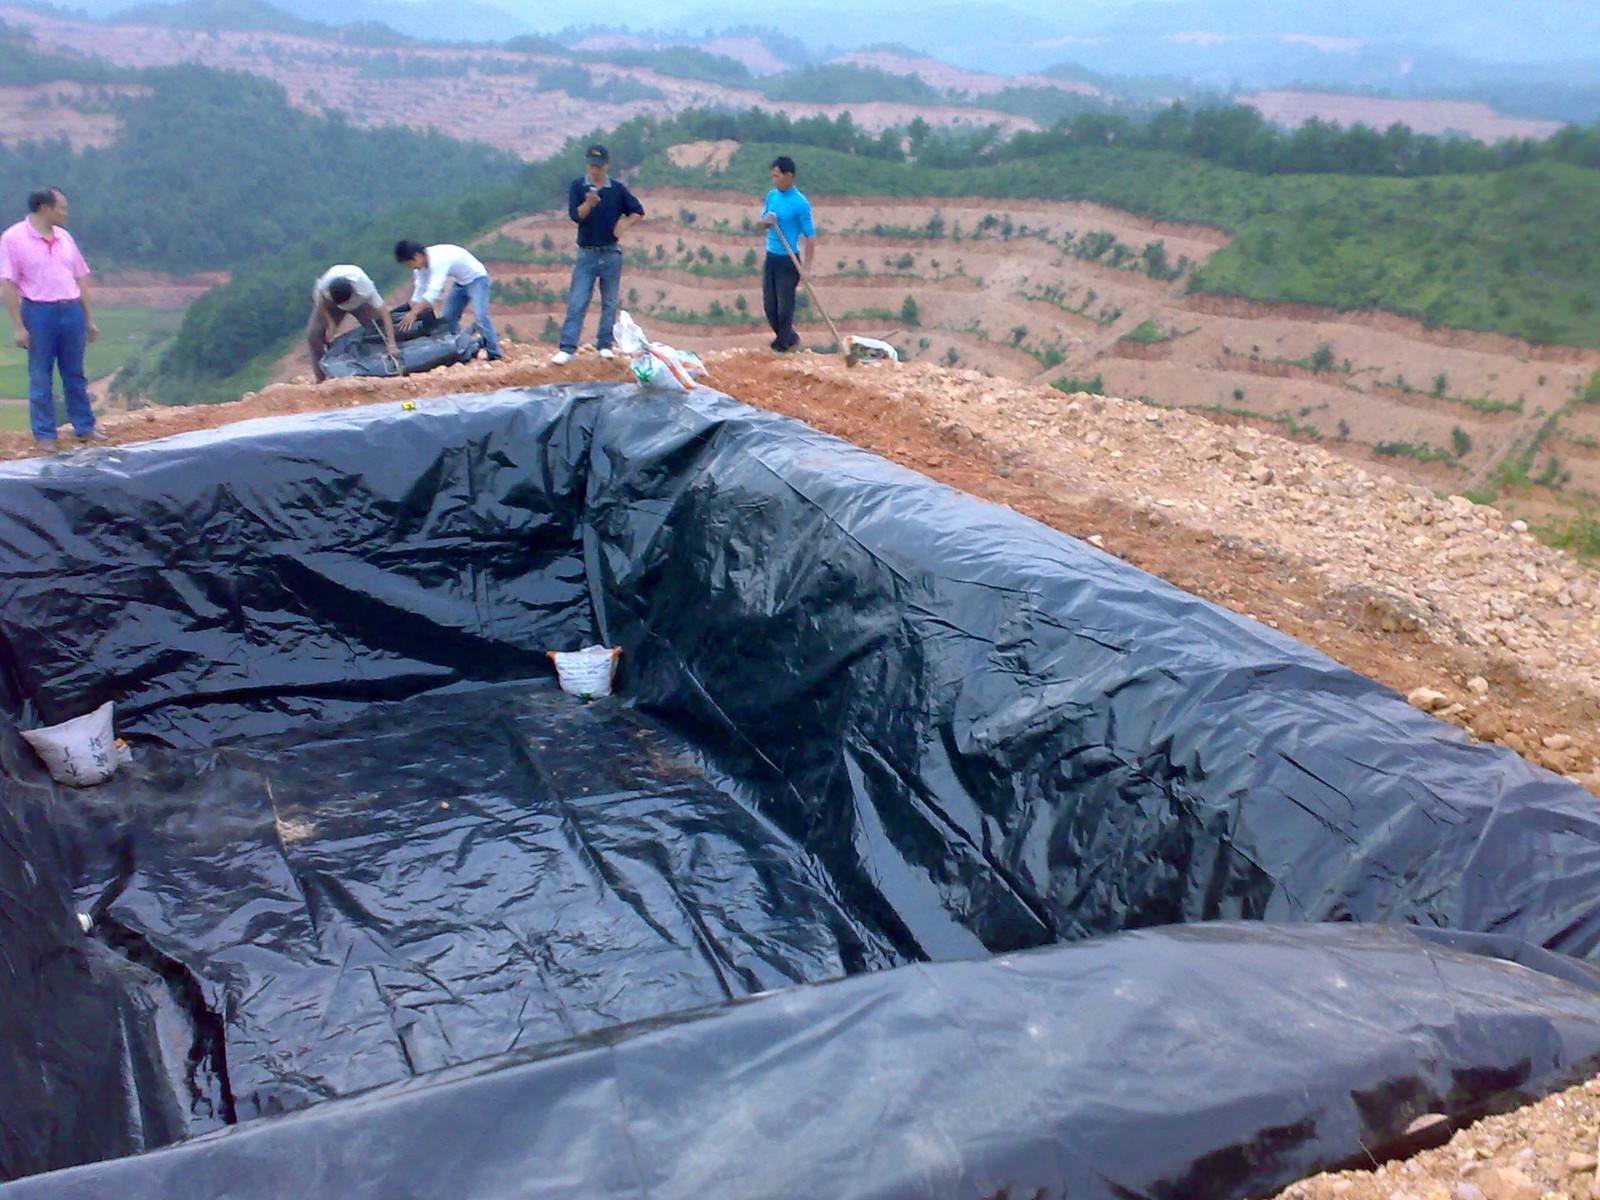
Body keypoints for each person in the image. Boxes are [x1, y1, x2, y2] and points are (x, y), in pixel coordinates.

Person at [0, 187, 102, 447]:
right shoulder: (13, 239)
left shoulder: (65, 238)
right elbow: (8, 284)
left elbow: (80, 277)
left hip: (71, 309)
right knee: (40, 375)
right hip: (39, 312)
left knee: (75, 373)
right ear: (45, 208)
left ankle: (85, 427)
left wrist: (88, 317)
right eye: (62, 208)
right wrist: (18, 326)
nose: (65, 213)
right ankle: (45, 435)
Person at [553, 143, 645, 366]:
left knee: (609, 302)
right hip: (587, 253)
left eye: (599, 166)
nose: (595, 170)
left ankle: (605, 345)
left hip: (611, 252)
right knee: (578, 301)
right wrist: (589, 203)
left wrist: (624, 225)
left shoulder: (617, 189)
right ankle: (567, 348)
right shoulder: (578, 186)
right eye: (592, 166)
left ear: (607, 165)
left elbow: (638, 211)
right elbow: (576, 216)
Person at [393, 239, 502, 361]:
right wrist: (411, 309)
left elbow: (433, 293)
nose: (410, 267)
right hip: (460, 283)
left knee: (481, 315)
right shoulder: (421, 268)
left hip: (478, 279)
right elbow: (420, 290)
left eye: (409, 263)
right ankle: (461, 349)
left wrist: (414, 313)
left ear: (417, 257)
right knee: (449, 318)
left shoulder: (438, 260)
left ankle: (494, 353)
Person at [758, 156, 816, 354]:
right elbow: (761, 223)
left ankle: (782, 347)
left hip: (789, 261)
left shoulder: (801, 204)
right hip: (771, 257)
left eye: (777, 176)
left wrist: (806, 269)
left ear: (788, 176)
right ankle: (790, 339)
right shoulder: (772, 196)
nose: (774, 180)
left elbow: (810, 237)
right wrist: (768, 220)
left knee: (785, 308)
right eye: (773, 176)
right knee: (769, 306)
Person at [308, 264, 400, 383]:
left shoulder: (365, 288)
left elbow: (384, 312)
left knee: (377, 329)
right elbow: (320, 304)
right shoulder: (324, 287)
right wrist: (331, 323)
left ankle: (387, 365)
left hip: (360, 303)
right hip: (332, 304)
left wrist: (391, 343)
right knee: (313, 335)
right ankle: (322, 378)